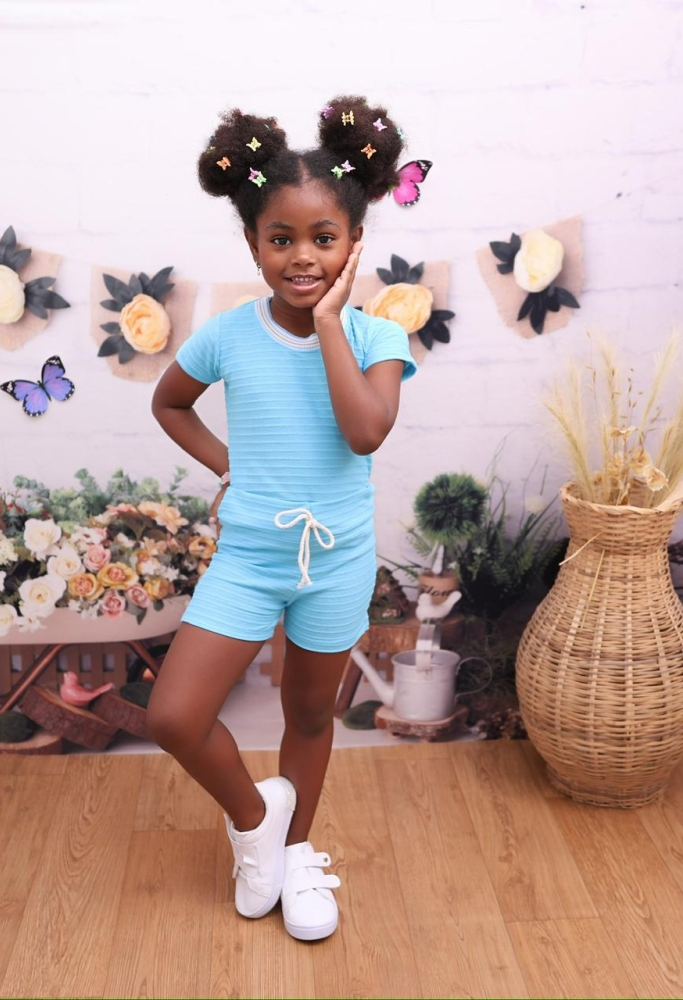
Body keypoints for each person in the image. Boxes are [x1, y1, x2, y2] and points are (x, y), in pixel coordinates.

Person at [147, 94, 417, 942]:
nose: (302, 256)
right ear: (253, 244)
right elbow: (170, 404)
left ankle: (295, 854)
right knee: (174, 716)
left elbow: (364, 431)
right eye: (281, 239)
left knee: (308, 715)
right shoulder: (228, 334)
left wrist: (330, 321)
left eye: (323, 238)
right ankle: (256, 821)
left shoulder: (377, 339)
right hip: (250, 558)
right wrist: (231, 465)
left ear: (353, 242)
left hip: (335, 563)